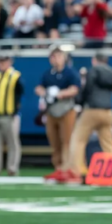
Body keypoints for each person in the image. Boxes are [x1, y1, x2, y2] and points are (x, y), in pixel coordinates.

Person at [69, 52, 112, 183]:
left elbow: (88, 89)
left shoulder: (93, 71)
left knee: (78, 140)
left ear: (94, 60)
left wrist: (79, 102)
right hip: (108, 112)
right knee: (108, 143)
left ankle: (79, 171)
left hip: (92, 110)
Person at [38, 46, 80, 181]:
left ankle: (68, 168)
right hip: (52, 110)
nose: (56, 59)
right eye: (53, 57)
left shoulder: (70, 73)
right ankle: (58, 167)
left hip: (66, 109)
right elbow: (39, 87)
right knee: (54, 140)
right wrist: (45, 93)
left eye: (59, 56)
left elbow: (75, 89)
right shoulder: (48, 73)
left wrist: (60, 94)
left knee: (66, 140)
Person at [0, 54, 23, 176]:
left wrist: (15, 111)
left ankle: (12, 168)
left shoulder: (15, 76)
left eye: (4, 61)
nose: (1, 64)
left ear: (9, 62)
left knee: (12, 142)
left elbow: (20, 94)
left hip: (9, 115)